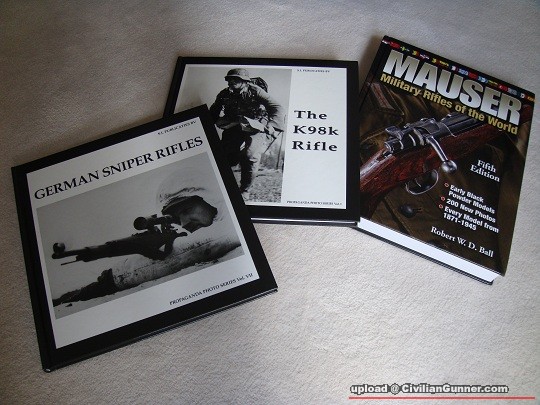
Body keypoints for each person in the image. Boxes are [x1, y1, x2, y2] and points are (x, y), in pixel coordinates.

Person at [52, 167, 241, 306]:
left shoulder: (230, 223)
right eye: (176, 218)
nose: (184, 223)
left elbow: (188, 250)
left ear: (208, 197)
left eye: (187, 209)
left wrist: (111, 279)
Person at [209, 68, 286, 199]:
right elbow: (214, 111)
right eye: (229, 79)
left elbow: (277, 107)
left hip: (256, 125)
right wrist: (207, 124)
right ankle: (222, 185)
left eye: (236, 79)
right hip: (235, 124)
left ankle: (244, 190)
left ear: (245, 81)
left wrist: (271, 125)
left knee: (250, 155)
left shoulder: (256, 91)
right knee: (225, 156)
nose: (231, 82)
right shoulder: (224, 94)